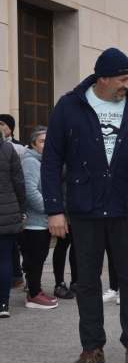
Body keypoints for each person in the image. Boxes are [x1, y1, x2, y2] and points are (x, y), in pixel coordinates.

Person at [42, 47, 128, 363]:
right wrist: (54, 209)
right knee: (88, 281)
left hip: (126, 206)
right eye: (123, 79)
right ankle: (92, 347)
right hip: (84, 207)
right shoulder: (69, 105)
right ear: (102, 78)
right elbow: (51, 160)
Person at [18, 126, 57, 309]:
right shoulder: (31, 161)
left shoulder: (43, 160)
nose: (46, 144)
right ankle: (33, 295)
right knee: (35, 258)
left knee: (39, 258)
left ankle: (36, 289)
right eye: (41, 141)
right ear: (33, 144)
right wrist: (50, 209)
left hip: (41, 221)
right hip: (34, 222)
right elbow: (29, 191)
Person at [0, 128, 27, 318]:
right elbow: (19, 182)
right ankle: (3, 303)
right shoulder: (9, 150)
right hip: (7, 209)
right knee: (4, 258)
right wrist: (22, 209)